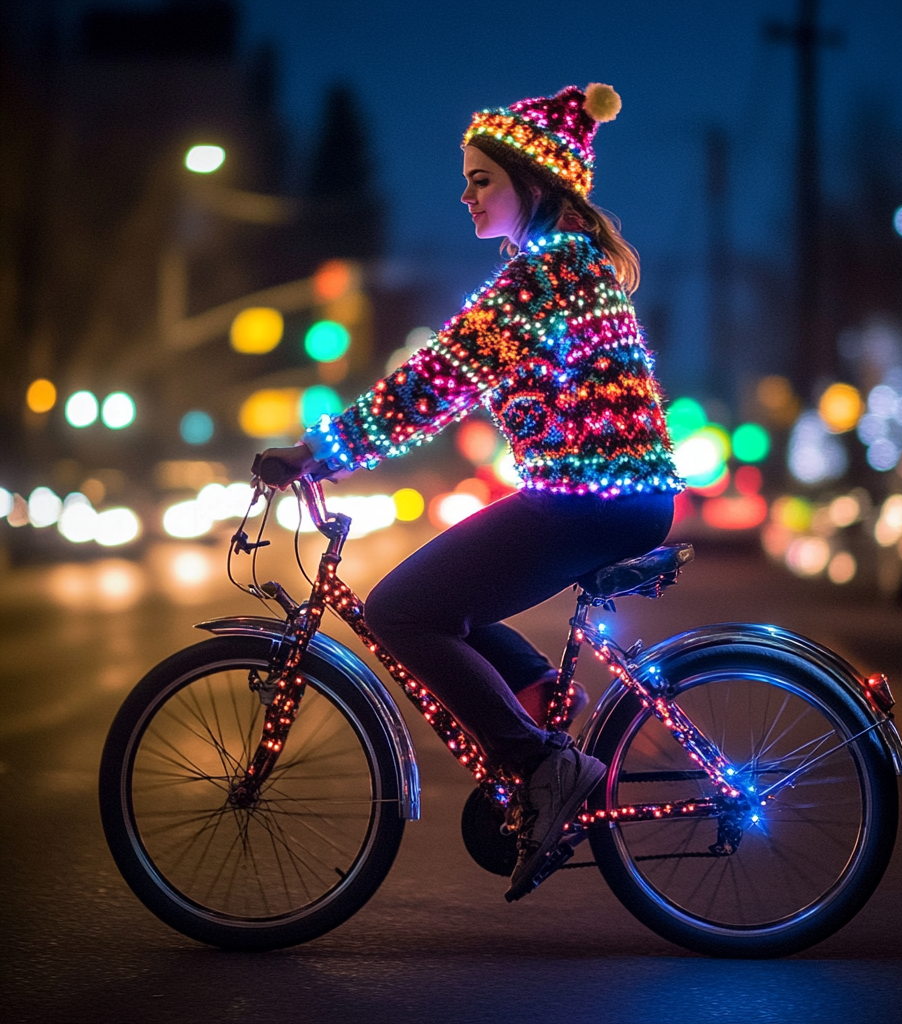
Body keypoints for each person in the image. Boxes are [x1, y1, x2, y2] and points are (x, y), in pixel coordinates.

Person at [254, 83, 683, 901]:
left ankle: (544, 764)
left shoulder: (545, 275)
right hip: (603, 492)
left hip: (589, 494)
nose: (465, 193)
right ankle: (539, 702)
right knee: (450, 600)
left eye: (481, 178)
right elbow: (440, 384)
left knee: (401, 612)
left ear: (535, 183)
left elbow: (432, 383)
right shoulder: (559, 266)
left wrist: (318, 453)